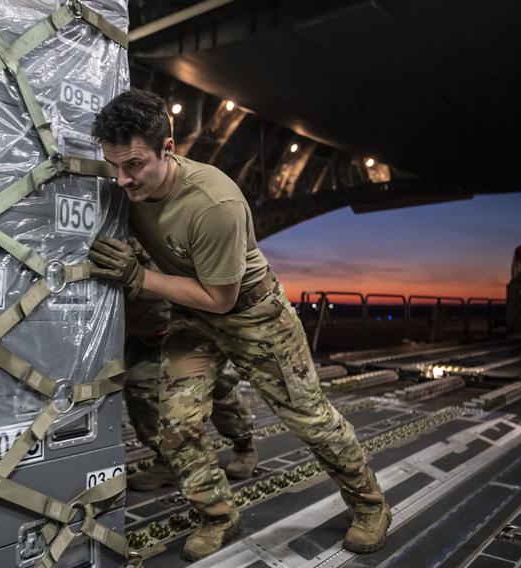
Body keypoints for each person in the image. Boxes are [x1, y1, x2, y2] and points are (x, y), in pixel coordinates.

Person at [87, 90, 390, 561]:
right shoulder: (129, 187)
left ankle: (371, 506)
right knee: (177, 426)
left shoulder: (213, 203)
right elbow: (197, 298)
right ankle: (217, 516)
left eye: (134, 165)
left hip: (253, 315)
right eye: (114, 166)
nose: (122, 180)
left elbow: (220, 296)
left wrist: (137, 277)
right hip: (193, 319)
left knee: (311, 420)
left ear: (168, 148)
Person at [124, 289, 257, 490]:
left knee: (218, 388)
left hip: (191, 325)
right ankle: (169, 462)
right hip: (145, 332)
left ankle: (245, 446)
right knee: (139, 389)